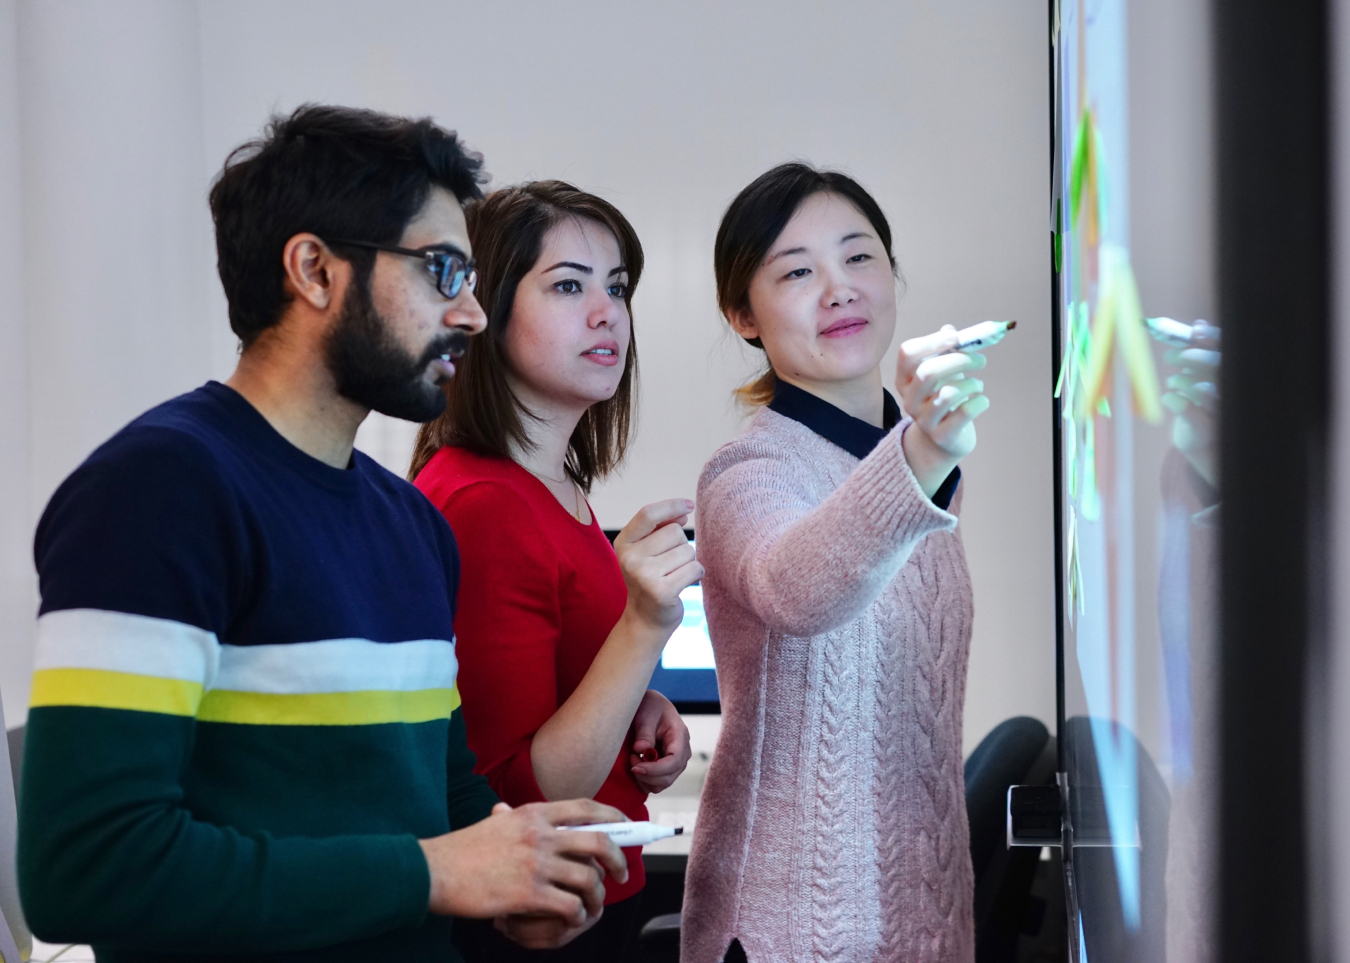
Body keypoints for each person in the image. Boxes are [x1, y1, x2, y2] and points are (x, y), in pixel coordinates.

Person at [17, 106, 629, 963]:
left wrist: (523, 872)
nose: (472, 315)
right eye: (443, 271)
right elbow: (85, 870)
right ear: (313, 270)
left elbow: (446, 804)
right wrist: (436, 876)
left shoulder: (411, 524)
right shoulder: (159, 490)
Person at [682, 163, 993, 963]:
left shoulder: (913, 459)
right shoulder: (746, 473)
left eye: (859, 257)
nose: (839, 289)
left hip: (922, 926)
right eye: (796, 272)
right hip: (788, 932)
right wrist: (922, 452)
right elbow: (798, 588)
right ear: (742, 316)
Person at [410, 181, 701, 961]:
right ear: (488, 311)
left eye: (618, 288)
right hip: (537, 921)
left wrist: (639, 703)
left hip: (581, 899)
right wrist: (644, 629)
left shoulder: (553, 489)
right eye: (569, 286)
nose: (607, 313)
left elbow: (553, 696)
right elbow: (520, 791)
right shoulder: (482, 503)